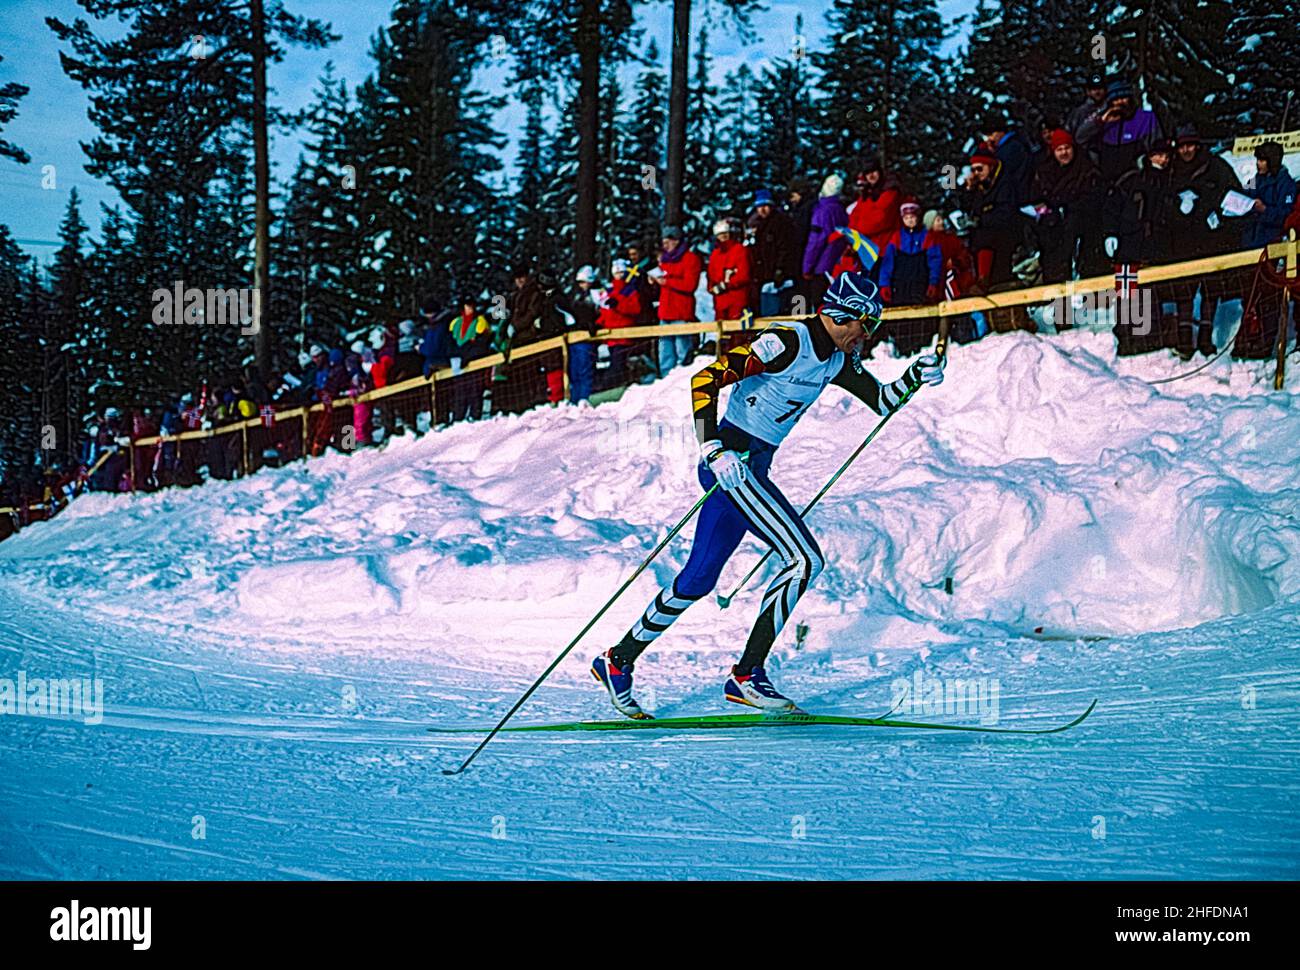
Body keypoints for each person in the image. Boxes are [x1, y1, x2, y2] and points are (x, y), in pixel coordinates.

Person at [589, 272, 946, 718]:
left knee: (698, 580)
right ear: (843, 316)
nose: (868, 336)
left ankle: (617, 661)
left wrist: (915, 376)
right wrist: (713, 447)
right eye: (866, 325)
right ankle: (747, 675)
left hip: (751, 469)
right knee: (805, 560)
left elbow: (883, 401)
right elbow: (705, 380)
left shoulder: (837, 358)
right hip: (731, 466)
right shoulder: (787, 342)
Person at [1167, 124, 1241, 359]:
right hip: (1183, 238)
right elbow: (1162, 195)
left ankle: (1206, 337)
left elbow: (1234, 193)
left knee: (1211, 288)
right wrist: (1177, 203)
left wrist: (1217, 212)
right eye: (1182, 146)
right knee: (1184, 289)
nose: (1186, 151)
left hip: (1211, 238)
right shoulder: (1172, 169)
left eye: (1190, 145)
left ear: (1198, 145)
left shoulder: (1215, 165)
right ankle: (1185, 338)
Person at [1026, 128, 1104, 282]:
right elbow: (1036, 197)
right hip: (1052, 228)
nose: (1064, 153)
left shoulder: (1086, 170)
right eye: (1059, 149)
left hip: (1080, 225)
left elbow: (1092, 199)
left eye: (1067, 148)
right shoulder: (1045, 171)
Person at [1075, 78, 1162, 183]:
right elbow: (1080, 138)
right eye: (1116, 100)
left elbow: (1156, 147)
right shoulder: (1104, 121)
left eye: (1123, 98)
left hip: (1135, 178)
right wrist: (1101, 121)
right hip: (1106, 179)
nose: (1120, 102)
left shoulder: (1145, 118)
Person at [649, 225, 704, 375]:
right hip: (665, 312)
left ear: (677, 241)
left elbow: (690, 285)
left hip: (681, 311)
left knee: (682, 350)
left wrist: (667, 282)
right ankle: (666, 382)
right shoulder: (664, 260)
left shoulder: (690, 259)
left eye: (668, 242)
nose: (665, 245)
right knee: (664, 353)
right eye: (663, 242)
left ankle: (682, 380)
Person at [748, 189, 801, 315]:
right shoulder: (759, 226)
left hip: (781, 277)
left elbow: (786, 248)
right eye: (759, 206)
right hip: (766, 277)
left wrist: (780, 269)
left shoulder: (780, 223)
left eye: (765, 206)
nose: (762, 210)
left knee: (782, 311)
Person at [801, 174, 850, 305]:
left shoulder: (822, 212)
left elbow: (816, 241)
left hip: (822, 267)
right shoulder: (841, 210)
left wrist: (807, 267)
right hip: (840, 264)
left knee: (821, 306)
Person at [707, 216, 753, 325]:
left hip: (737, 300)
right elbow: (711, 275)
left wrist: (727, 285)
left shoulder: (740, 250)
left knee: (738, 334)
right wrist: (711, 287)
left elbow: (744, 275)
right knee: (722, 334)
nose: (723, 236)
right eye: (720, 234)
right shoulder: (715, 254)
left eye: (725, 233)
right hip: (720, 302)